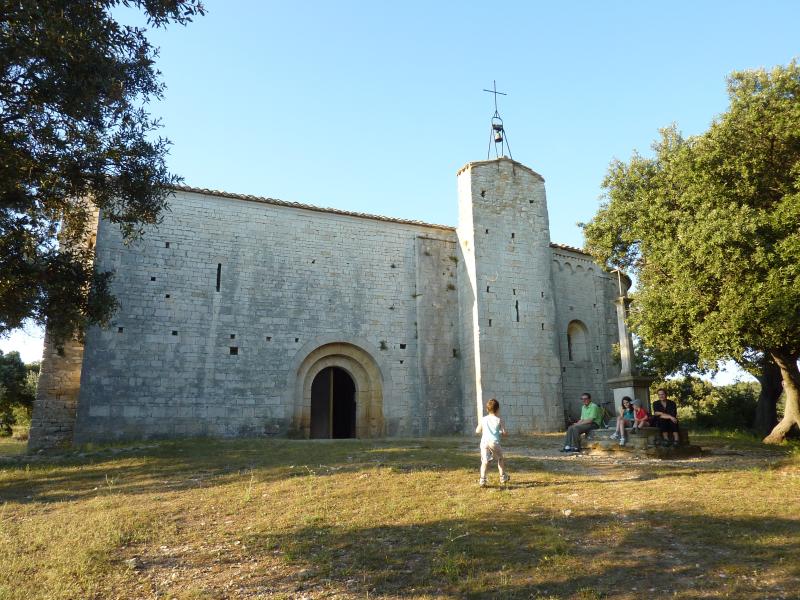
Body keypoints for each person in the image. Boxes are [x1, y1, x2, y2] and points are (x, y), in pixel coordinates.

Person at [475, 398, 509, 487]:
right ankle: (502, 477)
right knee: (500, 458)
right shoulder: (499, 420)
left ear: (487, 409)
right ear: (498, 409)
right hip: (494, 442)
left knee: (485, 461)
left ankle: (482, 479)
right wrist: (501, 432)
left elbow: (478, 431)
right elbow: (504, 433)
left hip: (484, 443)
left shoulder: (483, 419)